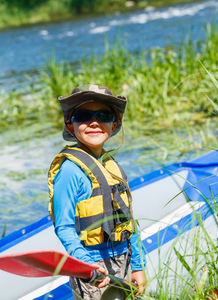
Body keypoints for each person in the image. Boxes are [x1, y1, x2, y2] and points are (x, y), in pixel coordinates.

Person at [48, 84, 147, 300]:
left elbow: (128, 220)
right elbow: (63, 226)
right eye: (83, 116)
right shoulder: (70, 172)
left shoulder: (112, 166)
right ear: (70, 125)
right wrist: (85, 263)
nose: (94, 122)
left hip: (124, 259)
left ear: (114, 124)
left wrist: (138, 266)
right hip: (91, 266)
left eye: (103, 115)